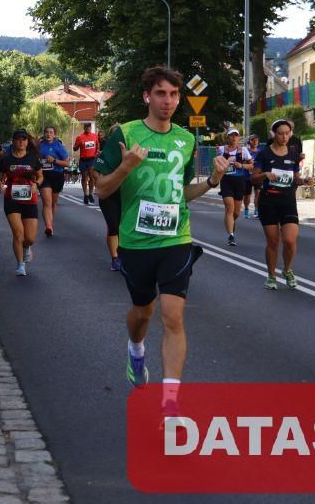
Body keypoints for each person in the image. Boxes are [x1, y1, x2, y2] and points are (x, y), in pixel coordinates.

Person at [93, 66, 228, 414]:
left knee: (173, 316)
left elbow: (183, 193)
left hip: (175, 238)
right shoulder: (126, 134)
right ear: (147, 97)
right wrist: (126, 167)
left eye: (173, 94)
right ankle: (135, 350)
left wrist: (212, 181)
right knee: (143, 312)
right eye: (160, 94)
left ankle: (170, 402)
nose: (167, 101)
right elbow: (101, 189)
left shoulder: (185, 140)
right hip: (135, 242)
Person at [253, 120, 312, 290]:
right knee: (273, 242)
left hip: (288, 201)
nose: (284, 137)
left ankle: (287, 269)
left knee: (290, 240)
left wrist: (304, 181)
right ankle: (271, 275)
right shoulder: (264, 154)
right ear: (274, 134)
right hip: (268, 201)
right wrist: (264, 175)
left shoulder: (293, 154)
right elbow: (253, 178)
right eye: (280, 133)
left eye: (287, 133)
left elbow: (295, 177)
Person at [0, 129, 44, 276]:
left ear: (27, 142)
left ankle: (26, 247)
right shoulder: (6, 159)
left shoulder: (33, 158)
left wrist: (37, 184)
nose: (21, 142)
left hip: (30, 200)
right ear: (13, 141)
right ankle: (20, 264)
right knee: (18, 233)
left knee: (30, 238)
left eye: (24, 139)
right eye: (18, 139)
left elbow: (40, 176)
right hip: (12, 200)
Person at [217, 128, 254, 246]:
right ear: (227, 137)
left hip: (239, 181)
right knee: (229, 208)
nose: (234, 138)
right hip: (226, 180)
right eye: (231, 135)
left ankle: (231, 223)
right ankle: (231, 236)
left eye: (236, 136)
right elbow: (216, 165)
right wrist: (226, 162)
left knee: (236, 212)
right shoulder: (221, 150)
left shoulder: (243, 150)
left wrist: (241, 165)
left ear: (238, 138)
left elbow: (252, 165)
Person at [98, 124, 124, 271]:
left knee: (125, 227)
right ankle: (115, 258)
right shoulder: (106, 152)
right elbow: (95, 171)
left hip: (127, 194)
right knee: (113, 226)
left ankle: (125, 254)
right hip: (109, 194)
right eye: (115, 134)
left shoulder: (131, 151)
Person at [38, 126, 70, 237]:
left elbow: (67, 163)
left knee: (52, 203)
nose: (48, 134)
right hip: (44, 176)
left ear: (54, 134)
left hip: (57, 175)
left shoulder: (59, 146)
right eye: (46, 132)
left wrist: (54, 160)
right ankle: (48, 227)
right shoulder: (40, 146)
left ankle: (50, 223)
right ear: (44, 134)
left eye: (51, 132)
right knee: (47, 202)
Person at [74, 123, 101, 205]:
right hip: (83, 160)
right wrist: (78, 144)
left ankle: (90, 194)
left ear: (90, 128)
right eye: (86, 127)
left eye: (89, 127)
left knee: (91, 177)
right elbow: (75, 148)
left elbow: (98, 145)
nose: (88, 129)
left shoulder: (94, 136)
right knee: (84, 178)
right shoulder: (80, 137)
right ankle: (85, 195)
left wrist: (97, 151)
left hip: (92, 159)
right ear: (84, 128)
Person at [246, 133, 266, 218]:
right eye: (253, 140)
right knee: (247, 195)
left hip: (258, 176)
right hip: (247, 176)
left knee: (258, 193)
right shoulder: (246, 151)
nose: (255, 142)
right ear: (249, 141)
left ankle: (256, 210)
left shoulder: (260, 152)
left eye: (256, 140)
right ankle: (246, 209)